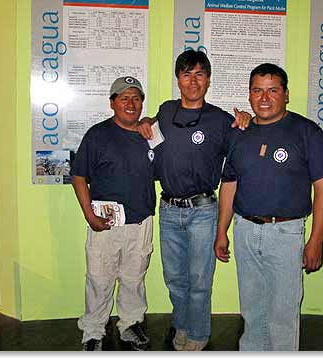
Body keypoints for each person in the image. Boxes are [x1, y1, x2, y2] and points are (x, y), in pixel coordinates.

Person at [214, 63, 323, 351]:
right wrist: (222, 231)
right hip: (245, 230)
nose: (264, 98)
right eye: (257, 91)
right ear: (249, 96)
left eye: (273, 90)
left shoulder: (306, 131)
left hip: (285, 234)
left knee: (282, 315)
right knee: (252, 312)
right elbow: (229, 184)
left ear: (286, 94)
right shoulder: (239, 133)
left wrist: (316, 241)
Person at [137, 50, 251, 351]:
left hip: (203, 211)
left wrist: (247, 119)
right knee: (174, 279)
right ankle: (183, 325)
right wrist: (145, 120)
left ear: (208, 80)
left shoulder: (219, 120)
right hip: (169, 210)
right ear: (178, 79)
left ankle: (198, 334)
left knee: (200, 281)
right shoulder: (165, 111)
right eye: (186, 74)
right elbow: (150, 128)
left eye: (199, 74)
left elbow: (245, 144)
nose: (193, 80)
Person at [71, 76, 156, 351]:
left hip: (140, 220)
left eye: (136, 98)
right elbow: (79, 176)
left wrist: (151, 121)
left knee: (134, 278)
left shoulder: (150, 135)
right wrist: (88, 215)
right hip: (105, 223)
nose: (130, 104)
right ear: (112, 103)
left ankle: (130, 324)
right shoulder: (97, 135)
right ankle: (93, 330)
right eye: (124, 98)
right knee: (99, 278)